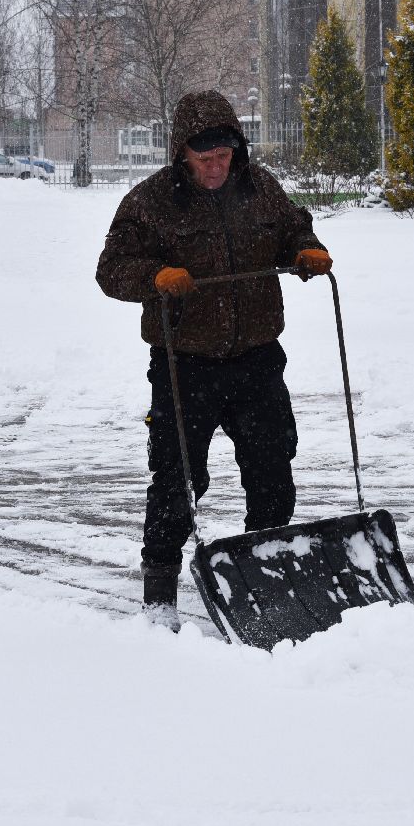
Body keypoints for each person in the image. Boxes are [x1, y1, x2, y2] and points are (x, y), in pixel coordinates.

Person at [96, 90, 333, 631]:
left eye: (223, 155)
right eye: (204, 158)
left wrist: (304, 248)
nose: (215, 166)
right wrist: (153, 278)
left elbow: (291, 227)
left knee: (273, 471)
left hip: (256, 360)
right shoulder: (150, 202)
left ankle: (263, 579)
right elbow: (111, 269)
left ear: (236, 149)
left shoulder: (260, 188)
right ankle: (159, 594)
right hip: (185, 364)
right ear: (182, 153)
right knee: (178, 480)